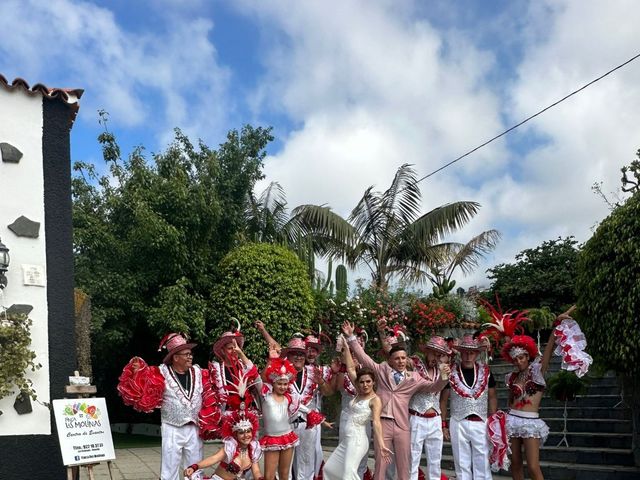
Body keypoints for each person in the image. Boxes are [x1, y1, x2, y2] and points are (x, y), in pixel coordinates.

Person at [342, 321, 449, 480]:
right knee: (381, 465)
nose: (400, 361)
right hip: (383, 424)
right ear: (391, 360)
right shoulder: (381, 370)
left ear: (407, 360)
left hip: (402, 426)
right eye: (397, 358)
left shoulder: (414, 378)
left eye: (403, 358)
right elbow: (363, 358)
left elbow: (434, 387)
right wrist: (351, 337)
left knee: (404, 465)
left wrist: (444, 376)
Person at [118, 333, 215, 480]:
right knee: (169, 468)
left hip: (194, 427)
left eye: (190, 354)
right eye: (186, 354)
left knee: (195, 467)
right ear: (175, 357)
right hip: (172, 427)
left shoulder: (198, 372)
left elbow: (216, 383)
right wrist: (137, 369)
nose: (190, 357)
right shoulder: (162, 372)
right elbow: (143, 380)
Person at [501, 306, 576, 480]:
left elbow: (549, 351)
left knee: (533, 467)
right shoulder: (511, 377)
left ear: (528, 356)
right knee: (516, 464)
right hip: (512, 420)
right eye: (516, 359)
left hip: (530, 422)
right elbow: (510, 400)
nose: (519, 362)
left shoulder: (537, 372)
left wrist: (557, 324)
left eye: (522, 358)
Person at [324, 338, 392, 480]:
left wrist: (381, 445)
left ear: (373, 382)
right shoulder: (359, 391)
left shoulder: (375, 400)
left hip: (358, 440)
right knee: (330, 469)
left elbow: (377, 423)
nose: (365, 384)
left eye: (368, 382)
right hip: (347, 440)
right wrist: (347, 348)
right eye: (362, 382)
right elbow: (349, 368)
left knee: (349, 474)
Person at [440, 334, 497, 480]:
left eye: (471, 352)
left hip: (481, 421)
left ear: (477, 353)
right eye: (464, 352)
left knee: (482, 461)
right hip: (458, 421)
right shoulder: (450, 372)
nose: (467, 356)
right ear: (460, 352)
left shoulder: (486, 372)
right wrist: (443, 424)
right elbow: (444, 400)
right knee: (461, 463)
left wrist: (493, 421)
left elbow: (492, 397)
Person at [408, 336, 452, 480]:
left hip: (435, 420)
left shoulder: (442, 369)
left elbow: (442, 389)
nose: (436, 358)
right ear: (426, 351)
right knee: (412, 460)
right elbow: (393, 354)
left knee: (435, 461)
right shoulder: (414, 364)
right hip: (416, 417)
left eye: (439, 355)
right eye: (433, 353)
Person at [333, 328, 373, 479]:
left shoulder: (367, 373)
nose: (354, 357)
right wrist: (342, 367)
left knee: (363, 454)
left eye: (356, 353)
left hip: (364, 419)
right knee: (345, 453)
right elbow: (337, 387)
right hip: (347, 417)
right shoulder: (343, 370)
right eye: (350, 353)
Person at [184, 410, 263, 480]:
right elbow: (213, 459)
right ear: (235, 435)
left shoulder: (253, 449)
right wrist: (195, 467)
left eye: (248, 431)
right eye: (241, 433)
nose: (246, 435)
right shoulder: (230, 447)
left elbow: (256, 472)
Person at [208, 325, 260, 419]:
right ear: (223, 351)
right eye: (230, 348)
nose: (234, 351)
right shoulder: (216, 370)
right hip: (227, 418)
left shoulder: (244, 366)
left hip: (247, 417)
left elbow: (256, 378)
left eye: (236, 348)